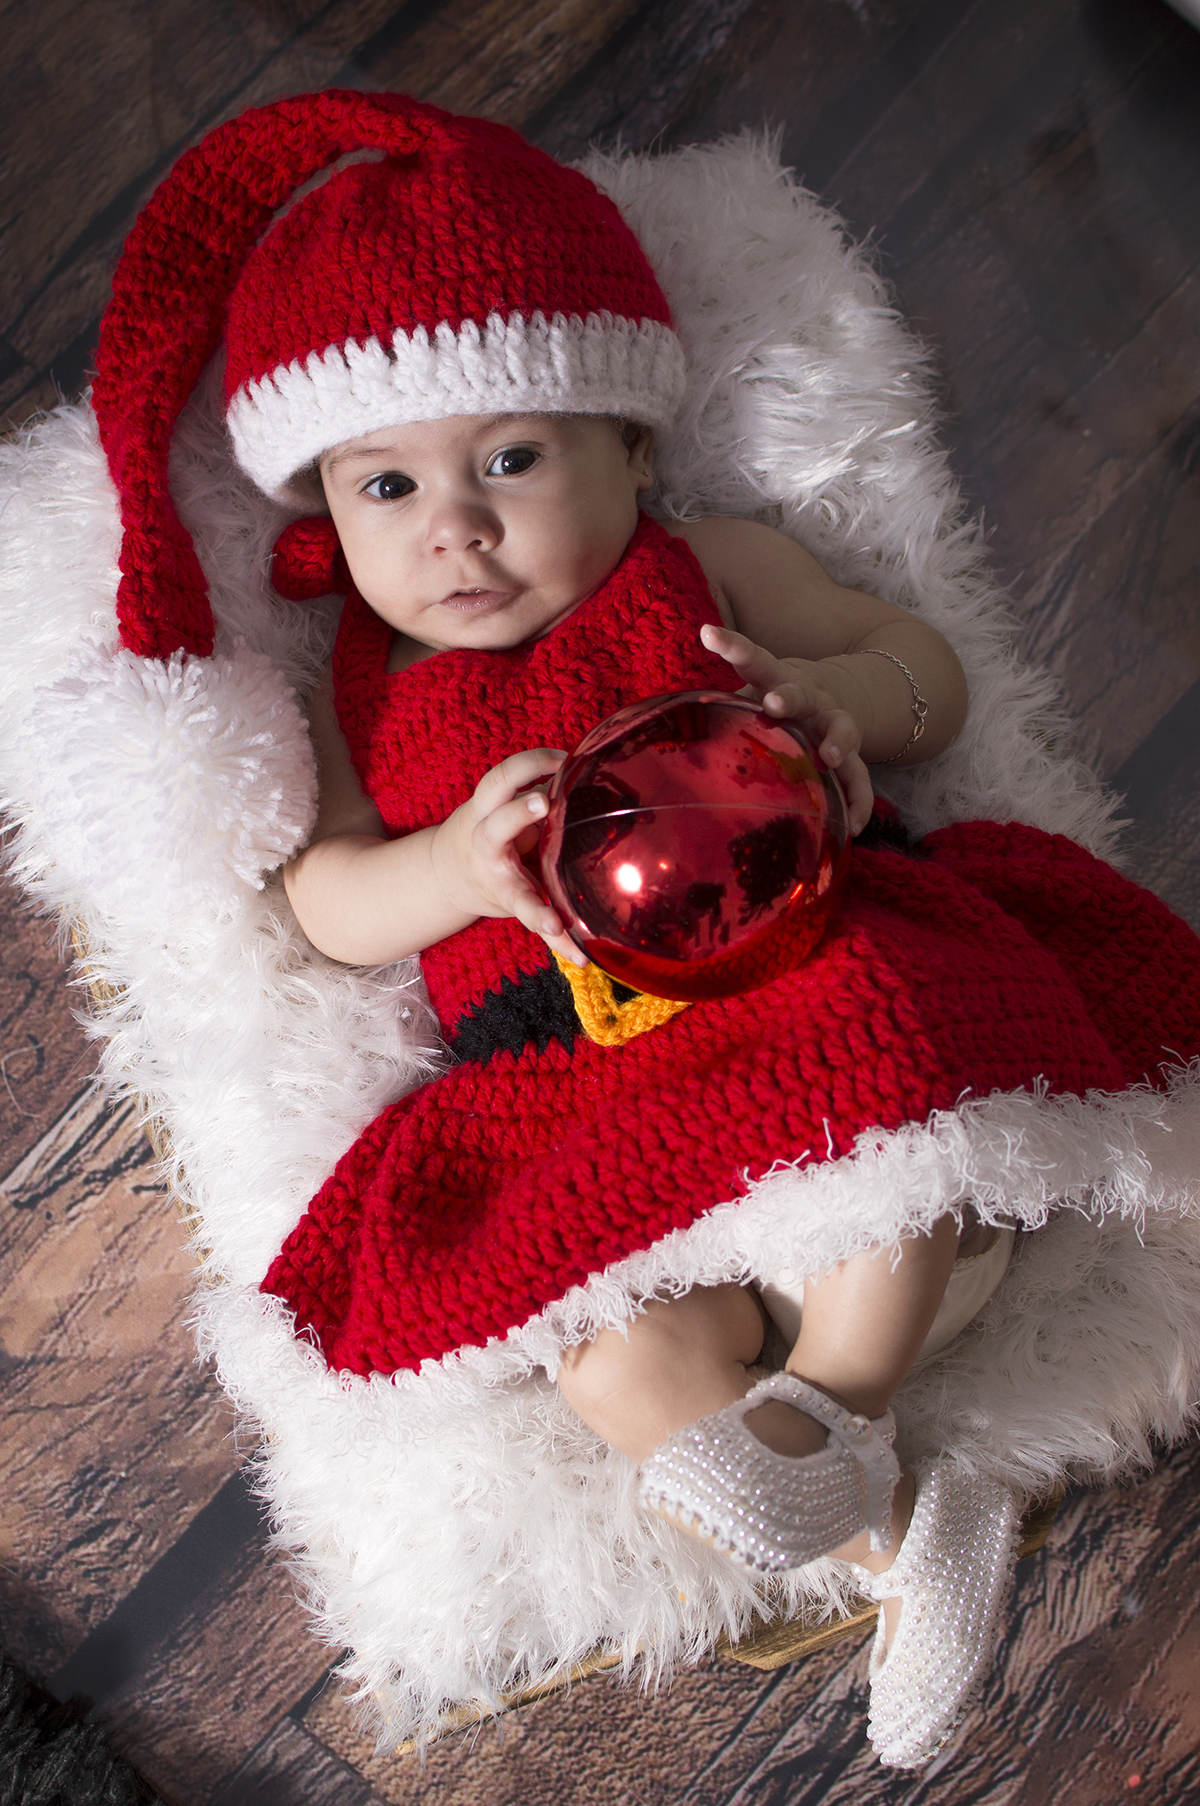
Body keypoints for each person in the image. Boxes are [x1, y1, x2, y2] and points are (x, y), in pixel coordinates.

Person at [88, 89, 1200, 1768]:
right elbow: (327, 901)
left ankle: (848, 1411)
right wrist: (451, 868)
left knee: (881, 1066)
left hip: (815, 1003)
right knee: (610, 1356)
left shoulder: (706, 564)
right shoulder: (366, 696)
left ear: (634, 450)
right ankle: (901, 1527)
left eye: (512, 459)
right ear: (325, 511)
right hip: (590, 1099)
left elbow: (927, 675)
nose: (455, 525)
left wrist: (833, 699)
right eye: (387, 483)